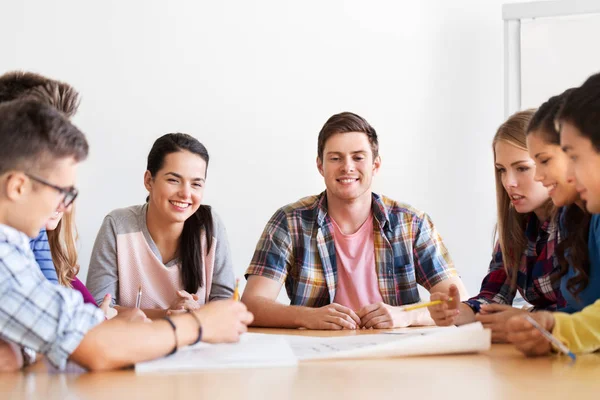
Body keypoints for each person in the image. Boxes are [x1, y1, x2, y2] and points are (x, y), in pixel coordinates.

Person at [0, 99, 252, 371]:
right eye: (63, 192)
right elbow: (93, 344)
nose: (66, 207)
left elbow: (58, 327)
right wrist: (198, 325)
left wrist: (21, 350)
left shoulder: (15, 247)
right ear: (17, 187)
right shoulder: (5, 254)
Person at [243, 111, 466, 330]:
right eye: (335, 158)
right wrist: (307, 316)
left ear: (375, 165)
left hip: (394, 355)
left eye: (358, 157)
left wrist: (407, 315)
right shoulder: (289, 222)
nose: (347, 166)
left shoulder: (411, 223)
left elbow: (459, 303)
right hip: (318, 355)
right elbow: (251, 305)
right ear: (320, 166)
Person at [428, 110, 565, 342]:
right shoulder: (516, 225)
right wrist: (459, 312)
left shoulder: (580, 222)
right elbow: (494, 296)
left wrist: (527, 316)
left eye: (522, 168)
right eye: (501, 170)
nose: (508, 182)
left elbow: (585, 313)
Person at [87, 133, 235, 318]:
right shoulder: (118, 225)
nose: (186, 193)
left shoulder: (210, 226)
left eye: (196, 184)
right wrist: (167, 314)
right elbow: (99, 307)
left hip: (195, 343)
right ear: (149, 180)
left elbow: (225, 306)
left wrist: (194, 313)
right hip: (132, 343)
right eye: (174, 180)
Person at [507, 72, 600, 355]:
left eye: (573, 157)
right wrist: (551, 327)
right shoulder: (574, 220)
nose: (570, 175)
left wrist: (553, 328)